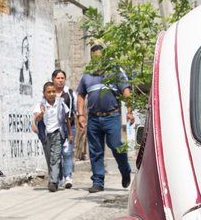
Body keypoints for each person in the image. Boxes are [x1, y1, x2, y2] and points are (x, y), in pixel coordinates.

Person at [76, 44, 133, 193]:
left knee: (116, 145)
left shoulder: (115, 72)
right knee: (95, 151)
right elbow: (81, 95)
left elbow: (126, 91)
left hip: (111, 116)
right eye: (95, 59)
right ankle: (98, 181)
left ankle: (125, 169)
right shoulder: (87, 76)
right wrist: (80, 115)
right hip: (94, 119)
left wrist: (129, 111)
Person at [34, 80, 70, 192]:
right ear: (44, 93)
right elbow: (37, 119)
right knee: (49, 158)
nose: (51, 94)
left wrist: (70, 134)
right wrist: (41, 115)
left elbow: (67, 118)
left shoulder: (61, 103)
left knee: (56, 158)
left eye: (53, 91)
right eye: (48, 92)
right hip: (45, 135)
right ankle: (52, 179)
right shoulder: (40, 106)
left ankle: (54, 182)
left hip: (58, 134)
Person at [51, 69, 76, 188]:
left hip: (69, 128)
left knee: (67, 152)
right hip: (54, 129)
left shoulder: (69, 94)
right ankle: (59, 178)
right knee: (56, 154)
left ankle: (68, 177)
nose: (60, 81)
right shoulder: (49, 93)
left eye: (62, 78)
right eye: (58, 78)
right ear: (53, 80)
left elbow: (73, 111)